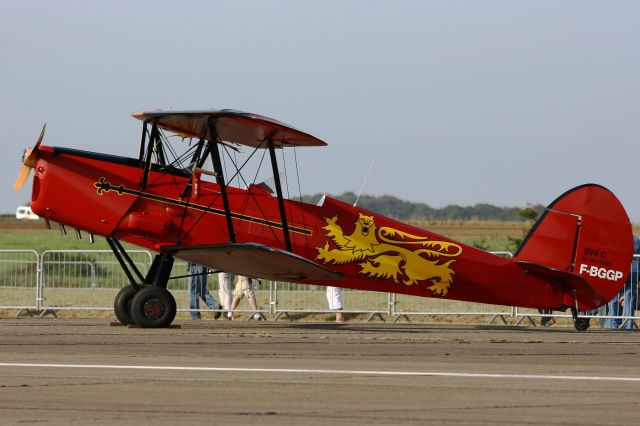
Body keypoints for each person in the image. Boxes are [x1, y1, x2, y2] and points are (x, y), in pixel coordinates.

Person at [602, 235, 640, 329]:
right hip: (634, 270)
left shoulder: (616, 238)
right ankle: (628, 324)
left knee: (614, 297)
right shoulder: (636, 240)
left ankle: (612, 323)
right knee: (629, 298)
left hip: (618, 269)